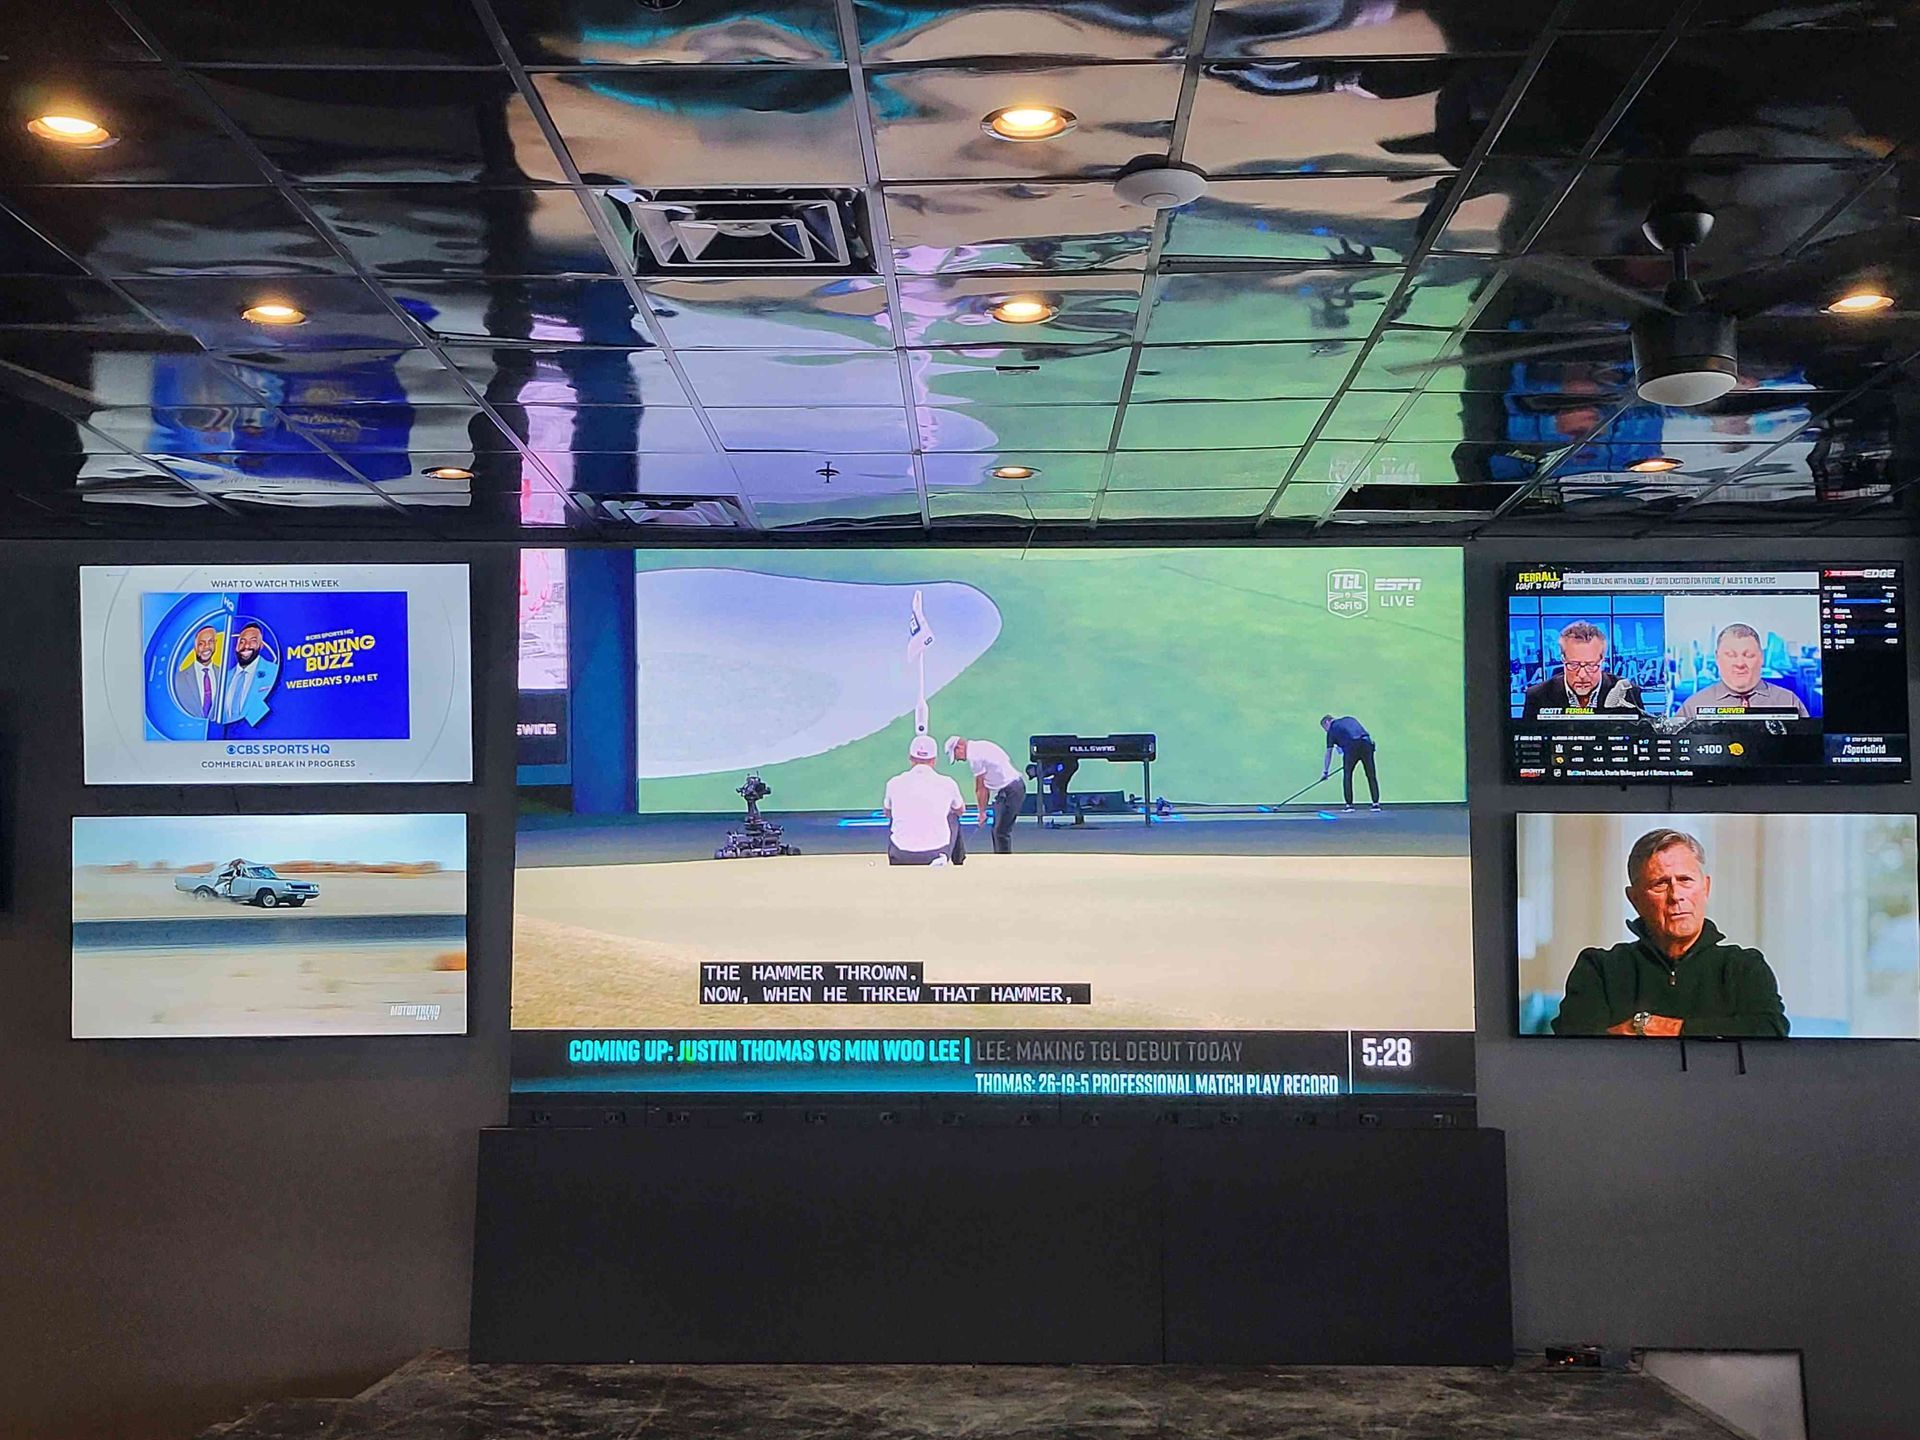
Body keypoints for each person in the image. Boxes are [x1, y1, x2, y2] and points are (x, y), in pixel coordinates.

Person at [1551, 827, 1789, 1038]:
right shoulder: (1599, 968)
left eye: (1685, 880)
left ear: (1705, 888)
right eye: (1660, 884)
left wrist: (1664, 1028)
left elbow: (1771, 1030)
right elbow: (1573, 1045)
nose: (1676, 896)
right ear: (1634, 899)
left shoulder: (1744, 966)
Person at [1678, 623, 1809, 717]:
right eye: (1730, 655)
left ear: (1761, 658)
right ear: (1717, 658)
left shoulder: (1789, 701)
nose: (1740, 663)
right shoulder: (1692, 707)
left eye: (1748, 655)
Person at [1521, 620, 1642, 719]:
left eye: (1591, 665)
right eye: (1574, 665)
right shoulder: (1538, 695)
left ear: (1602, 660)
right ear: (1563, 659)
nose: (1582, 674)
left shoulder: (1628, 692)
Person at [882, 735, 967, 866]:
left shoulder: (894, 783)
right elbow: (961, 811)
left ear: (910, 758)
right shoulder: (948, 783)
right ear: (934, 760)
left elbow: (887, 812)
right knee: (953, 815)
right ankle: (954, 860)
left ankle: (900, 854)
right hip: (935, 852)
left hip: (900, 854)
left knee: (894, 814)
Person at [946, 735, 1026, 855]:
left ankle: (1004, 863)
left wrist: (982, 813)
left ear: (959, 747)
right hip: (1009, 790)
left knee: (1000, 832)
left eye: (955, 755)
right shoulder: (981, 745)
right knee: (998, 830)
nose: (957, 759)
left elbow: (981, 788)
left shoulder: (974, 757)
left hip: (1011, 791)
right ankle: (1002, 859)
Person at [1319, 714, 1380, 813]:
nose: (1326, 731)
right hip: (1366, 743)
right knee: (1371, 775)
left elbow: (1329, 752)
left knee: (1347, 775)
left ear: (1327, 722)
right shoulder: (1349, 719)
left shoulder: (1332, 730)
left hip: (1351, 747)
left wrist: (1325, 772)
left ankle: (1349, 805)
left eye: (1324, 728)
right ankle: (1376, 804)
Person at [220, 623, 278, 726]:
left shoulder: (274, 672)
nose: (246, 646)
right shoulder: (223, 679)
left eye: (253, 641)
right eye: (242, 642)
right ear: (236, 646)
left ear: (261, 646)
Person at [172, 624, 222, 721]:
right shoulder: (178, 679)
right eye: (201, 643)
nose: (206, 647)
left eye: (210, 642)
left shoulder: (225, 676)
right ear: (194, 647)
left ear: (215, 643)